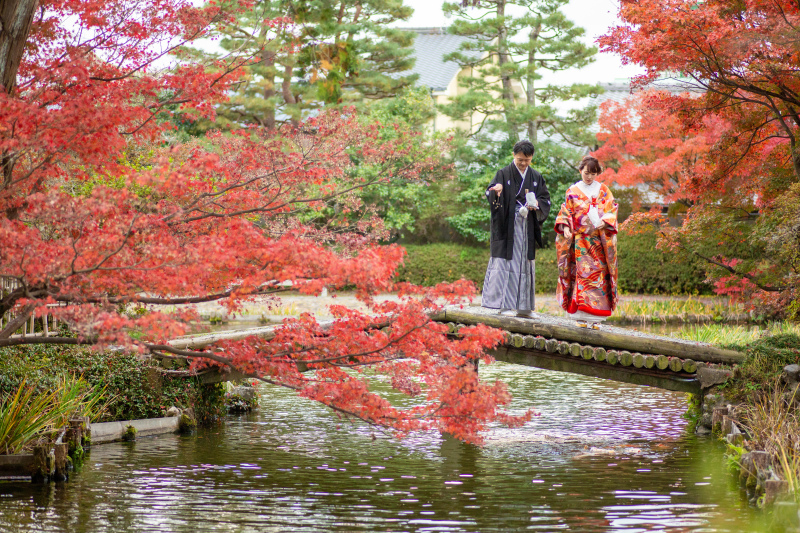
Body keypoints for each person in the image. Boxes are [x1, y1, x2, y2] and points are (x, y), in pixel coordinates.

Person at [481, 140, 551, 317]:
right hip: (508, 225)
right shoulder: (503, 173)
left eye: (527, 160)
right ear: (514, 155)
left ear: (531, 158)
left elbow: (545, 199)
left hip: (527, 223)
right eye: (520, 159)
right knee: (506, 262)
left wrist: (536, 206)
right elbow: (490, 192)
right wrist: (495, 191)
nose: (523, 163)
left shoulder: (536, 176)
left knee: (525, 263)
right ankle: (503, 305)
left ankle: (525, 308)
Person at [553, 155, 619, 328]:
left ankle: (596, 319)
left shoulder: (604, 190)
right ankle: (581, 317)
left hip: (598, 242)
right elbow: (565, 212)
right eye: (586, 172)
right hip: (580, 242)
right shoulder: (573, 191)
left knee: (599, 278)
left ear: (597, 173)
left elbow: (611, 209)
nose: (589, 176)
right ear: (580, 170)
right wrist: (566, 228)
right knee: (581, 277)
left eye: (593, 173)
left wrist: (605, 221)